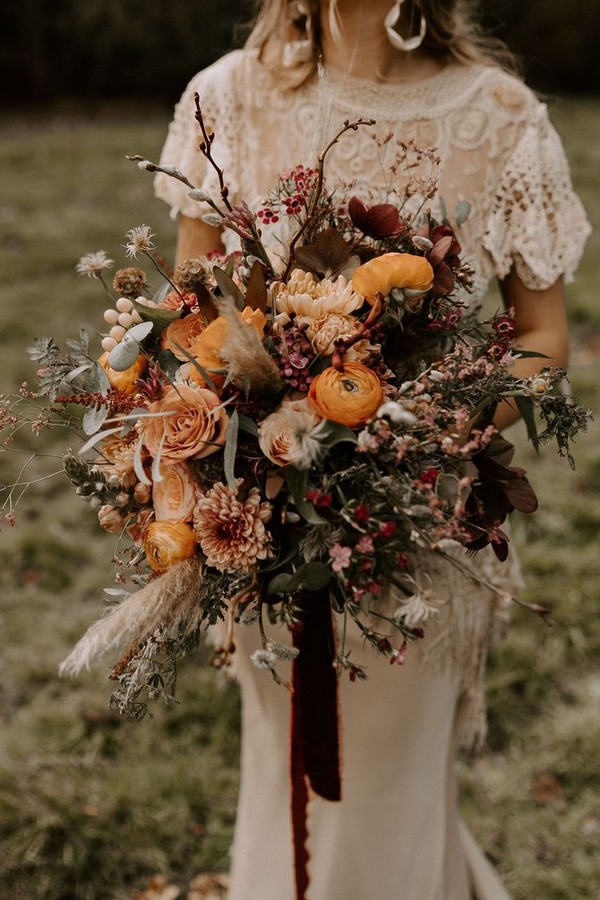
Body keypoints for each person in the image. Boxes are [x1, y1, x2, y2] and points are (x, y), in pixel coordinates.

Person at [154, 2, 590, 898]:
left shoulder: (500, 116)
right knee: (286, 784)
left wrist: (431, 427)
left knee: (389, 795)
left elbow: (544, 333)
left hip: (421, 526)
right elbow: (185, 311)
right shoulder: (229, 99)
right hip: (266, 526)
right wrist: (219, 438)